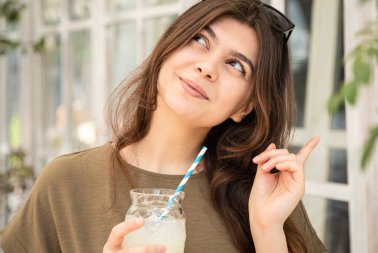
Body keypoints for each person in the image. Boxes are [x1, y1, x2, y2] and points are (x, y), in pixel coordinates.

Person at [1, 0, 326, 252]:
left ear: (246, 106)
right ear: (168, 48)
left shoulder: (263, 193)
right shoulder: (66, 183)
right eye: (200, 39)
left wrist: (266, 230)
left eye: (235, 65)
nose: (207, 67)